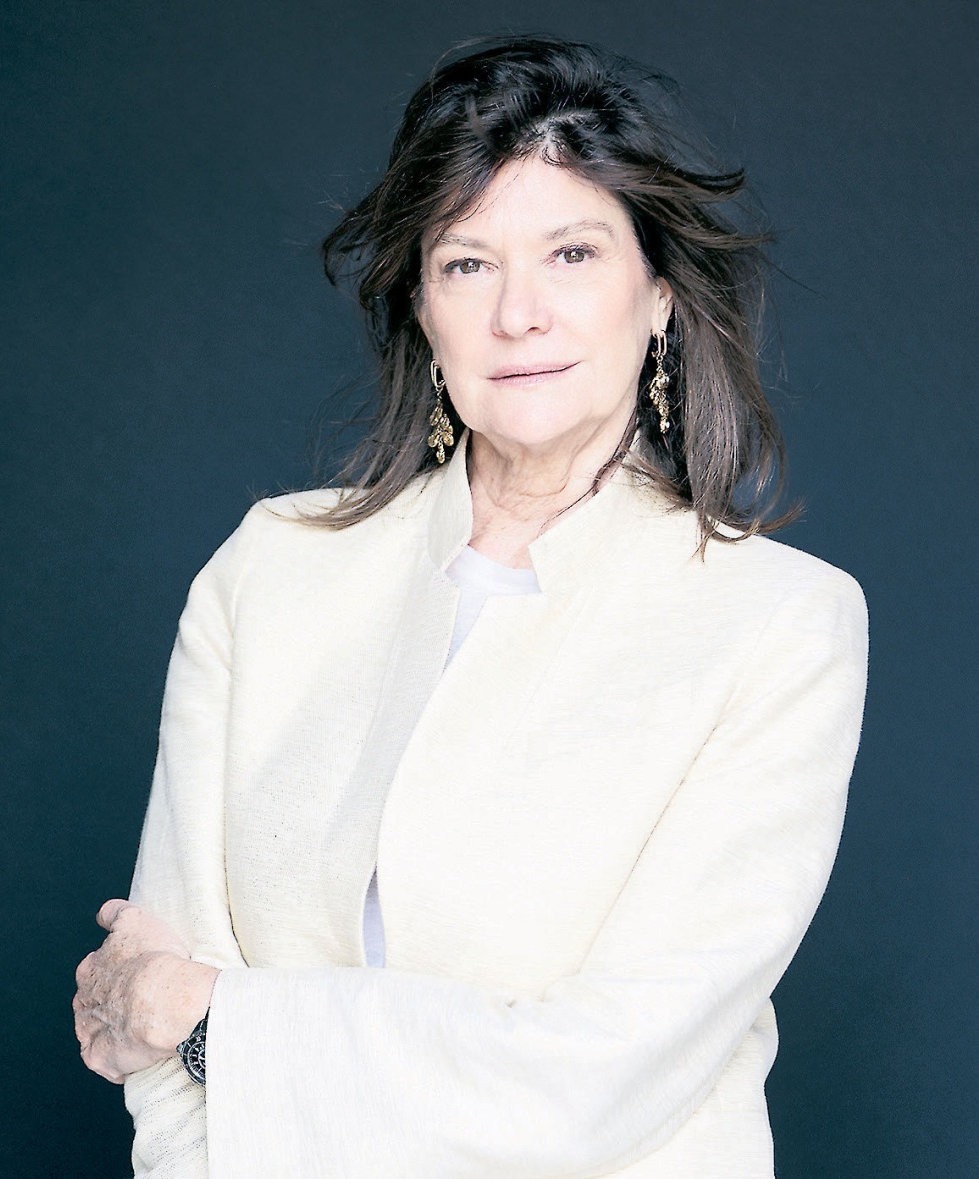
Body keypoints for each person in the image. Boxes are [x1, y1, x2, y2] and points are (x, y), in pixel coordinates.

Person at [73, 35, 868, 1178]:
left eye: (572, 253)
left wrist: (216, 1020)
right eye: (466, 264)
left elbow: (599, 1079)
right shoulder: (268, 570)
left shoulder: (780, 623)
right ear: (420, 305)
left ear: (657, 296)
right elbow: (148, 1028)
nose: (518, 313)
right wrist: (186, 1026)